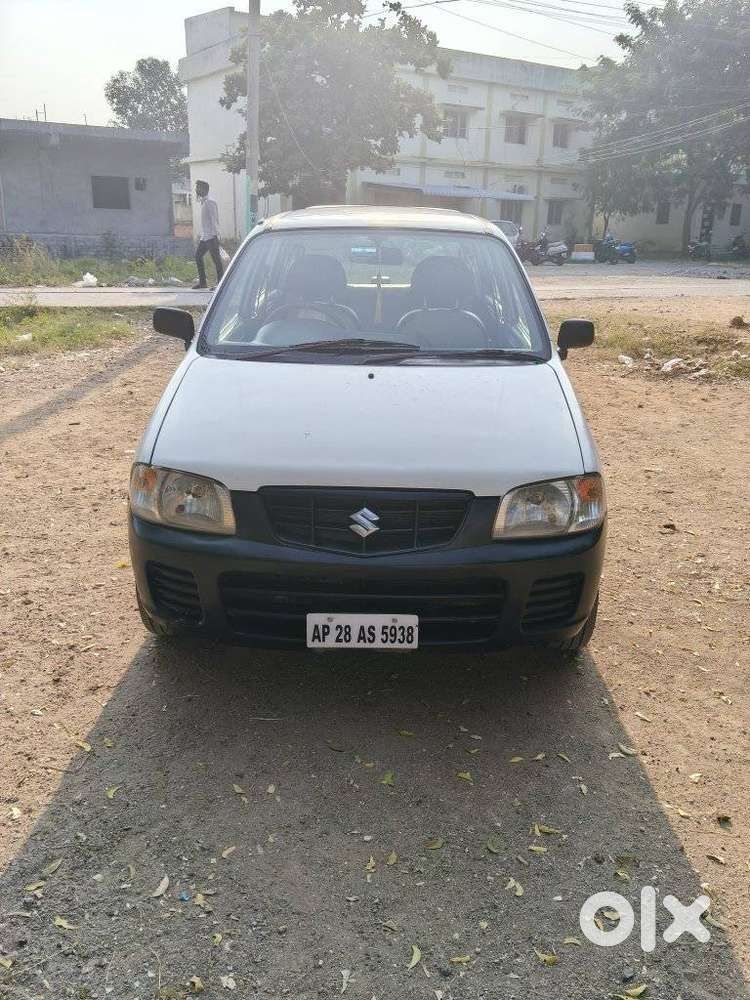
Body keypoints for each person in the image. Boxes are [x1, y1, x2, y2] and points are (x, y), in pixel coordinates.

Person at [193, 180, 224, 289]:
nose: (196, 190)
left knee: (217, 261)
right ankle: (203, 282)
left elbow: (214, 220)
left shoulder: (210, 202)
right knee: (198, 256)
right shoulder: (203, 202)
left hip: (211, 237)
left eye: (198, 187)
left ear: (205, 189)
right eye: (196, 187)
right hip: (205, 238)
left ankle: (220, 284)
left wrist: (216, 236)